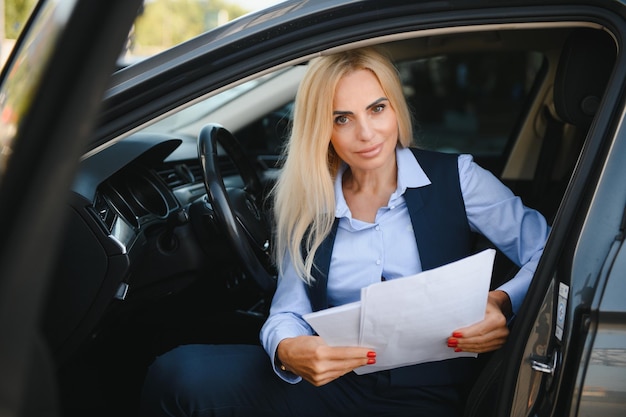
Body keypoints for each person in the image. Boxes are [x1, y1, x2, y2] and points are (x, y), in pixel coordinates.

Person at [139, 47, 550, 417]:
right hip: (334, 382)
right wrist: (287, 349)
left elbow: (549, 250)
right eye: (342, 118)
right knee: (175, 375)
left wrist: (501, 302)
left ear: (395, 110)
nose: (366, 134)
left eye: (377, 109)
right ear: (324, 130)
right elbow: (288, 310)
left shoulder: (458, 178)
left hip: (428, 391)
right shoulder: (307, 201)